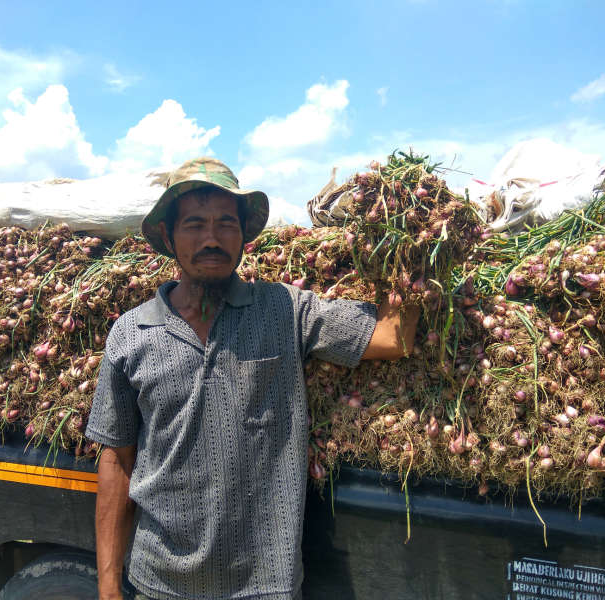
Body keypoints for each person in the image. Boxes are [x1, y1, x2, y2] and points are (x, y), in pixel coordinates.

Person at [85, 157, 419, 600]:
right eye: (194, 224)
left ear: (244, 237)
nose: (211, 238)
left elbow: (391, 337)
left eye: (226, 223)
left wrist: (414, 242)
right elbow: (117, 461)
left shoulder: (286, 310)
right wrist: (108, 586)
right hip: (158, 583)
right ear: (168, 236)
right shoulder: (131, 333)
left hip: (264, 587)